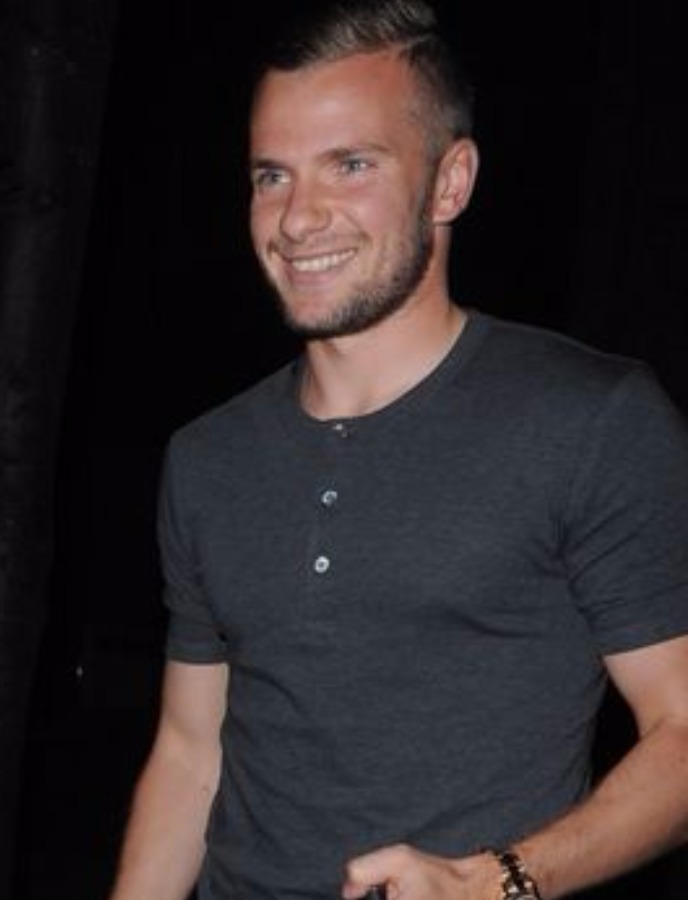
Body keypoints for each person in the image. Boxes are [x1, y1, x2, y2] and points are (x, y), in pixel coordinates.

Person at [108, 1, 688, 898]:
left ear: (450, 182)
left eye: (350, 165)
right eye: (272, 175)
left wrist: (493, 883)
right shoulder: (207, 459)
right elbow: (190, 754)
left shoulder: (591, 421)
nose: (298, 219)